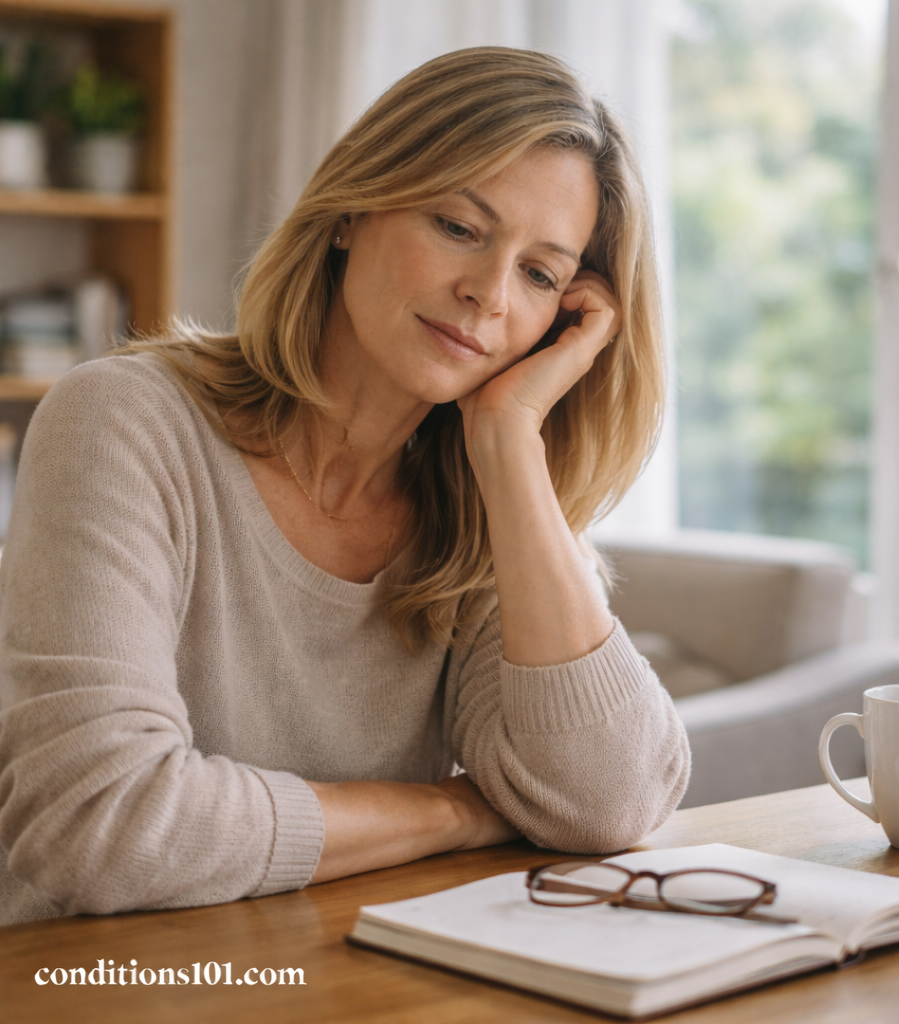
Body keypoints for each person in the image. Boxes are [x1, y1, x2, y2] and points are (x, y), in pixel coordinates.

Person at [0, 47, 689, 926]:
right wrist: (459, 808)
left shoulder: (484, 512)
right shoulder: (124, 423)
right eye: (458, 226)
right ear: (351, 211)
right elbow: (101, 829)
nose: (486, 294)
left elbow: (613, 803)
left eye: (540, 274)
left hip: (349, 986)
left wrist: (511, 446)